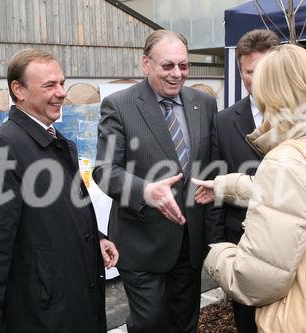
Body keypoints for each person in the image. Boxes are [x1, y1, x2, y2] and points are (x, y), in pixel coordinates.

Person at [194, 44, 306, 330]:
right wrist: (225, 185)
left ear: (270, 93)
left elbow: (257, 281)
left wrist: (217, 254)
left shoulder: (286, 159)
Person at [0, 48, 118, 333]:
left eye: (62, 83)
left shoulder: (57, 142)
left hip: (69, 303)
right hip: (42, 315)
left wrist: (96, 238)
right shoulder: (5, 147)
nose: (62, 92)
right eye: (49, 85)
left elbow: (58, 213)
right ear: (18, 90)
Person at [93, 30, 218, 333]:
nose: (177, 74)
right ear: (145, 64)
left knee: (185, 322)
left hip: (189, 243)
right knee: (149, 322)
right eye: (168, 66)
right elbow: (105, 170)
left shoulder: (204, 102)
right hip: (141, 241)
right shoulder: (119, 106)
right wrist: (145, 191)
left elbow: (212, 163)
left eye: (184, 66)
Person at [208, 29, 280, 333]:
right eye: (250, 72)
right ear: (240, 72)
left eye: (265, 70)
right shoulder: (223, 121)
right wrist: (216, 246)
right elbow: (213, 184)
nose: (258, 78)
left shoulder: (301, 118)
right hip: (242, 244)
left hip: (292, 243)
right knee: (248, 325)